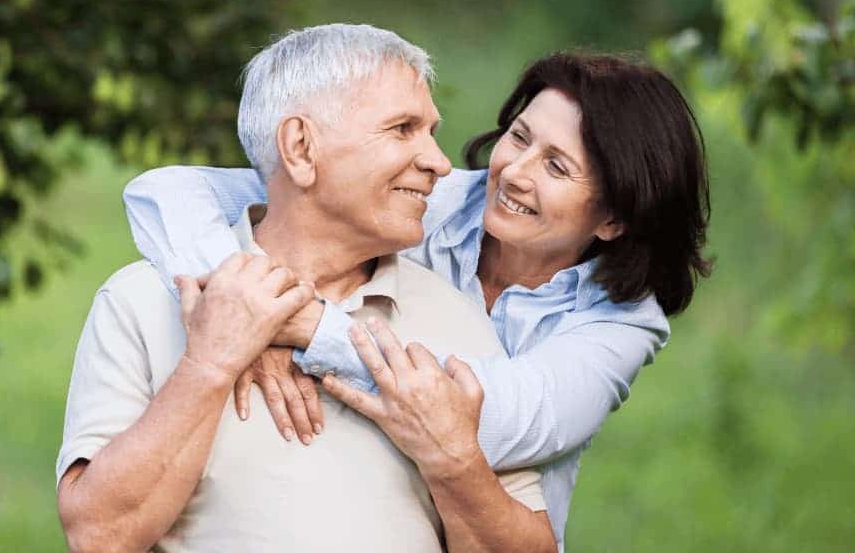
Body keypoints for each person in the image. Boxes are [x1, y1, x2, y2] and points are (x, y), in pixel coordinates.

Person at [123, 42, 712, 550]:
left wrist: (304, 326)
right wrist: (248, 299)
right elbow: (166, 193)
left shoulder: (623, 323)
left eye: (556, 167)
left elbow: (483, 419)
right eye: (520, 137)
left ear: (612, 218)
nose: (513, 172)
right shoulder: (423, 199)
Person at [57, 24, 557, 552]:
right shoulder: (141, 301)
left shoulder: (456, 319)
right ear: (300, 147)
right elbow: (98, 537)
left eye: (431, 132)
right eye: (403, 129)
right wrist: (210, 364)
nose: (438, 162)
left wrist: (455, 460)